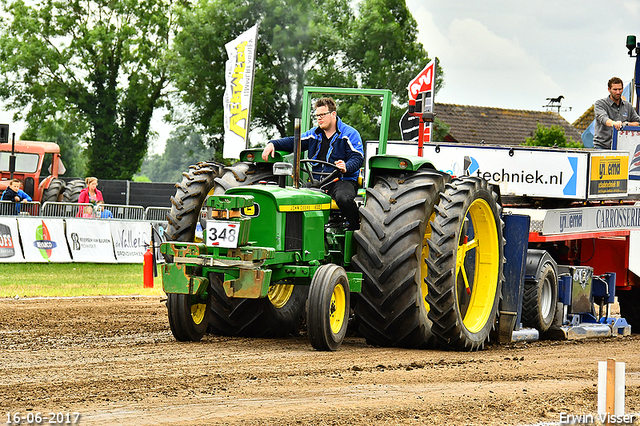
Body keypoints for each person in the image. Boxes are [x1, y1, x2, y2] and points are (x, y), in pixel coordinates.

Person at [261, 97, 364, 230]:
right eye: (317, 116)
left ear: (333, 114)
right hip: (318, 182)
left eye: (322, 115)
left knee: (343, 199)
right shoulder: (314, 134)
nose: (319, 118)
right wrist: (273, 143)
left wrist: (346, 166)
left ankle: (355, 229)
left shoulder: (349, 134)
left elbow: (357, 158)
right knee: (294, 198)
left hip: (342, 181)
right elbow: (294, 141)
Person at [593, 77, 640, 149]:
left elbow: (638, 123)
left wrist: (626, 124)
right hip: (602, 147)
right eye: (615, 89)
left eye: (620, 89)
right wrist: (614, 123)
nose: (618, 92)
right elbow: (603, 118)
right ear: (609, 89)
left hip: (622, 147)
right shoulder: (600, 104)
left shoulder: (628, 106)